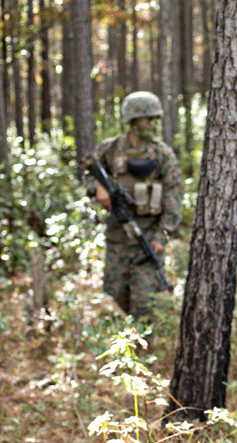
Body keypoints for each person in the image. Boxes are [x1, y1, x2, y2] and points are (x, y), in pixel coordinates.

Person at [86, 91, 183, 323]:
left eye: (154, 119)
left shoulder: (162, 154)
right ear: (132, 120)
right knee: (115, 291)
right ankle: (128, 339)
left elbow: (174, 197)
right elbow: (88, 171)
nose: (152, 124)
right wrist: (97, 188)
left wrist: (161, 236)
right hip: (118, 235)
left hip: (148, 235)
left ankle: (141, 346)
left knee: (145, 300)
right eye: (147, 118)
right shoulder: (111, 149)